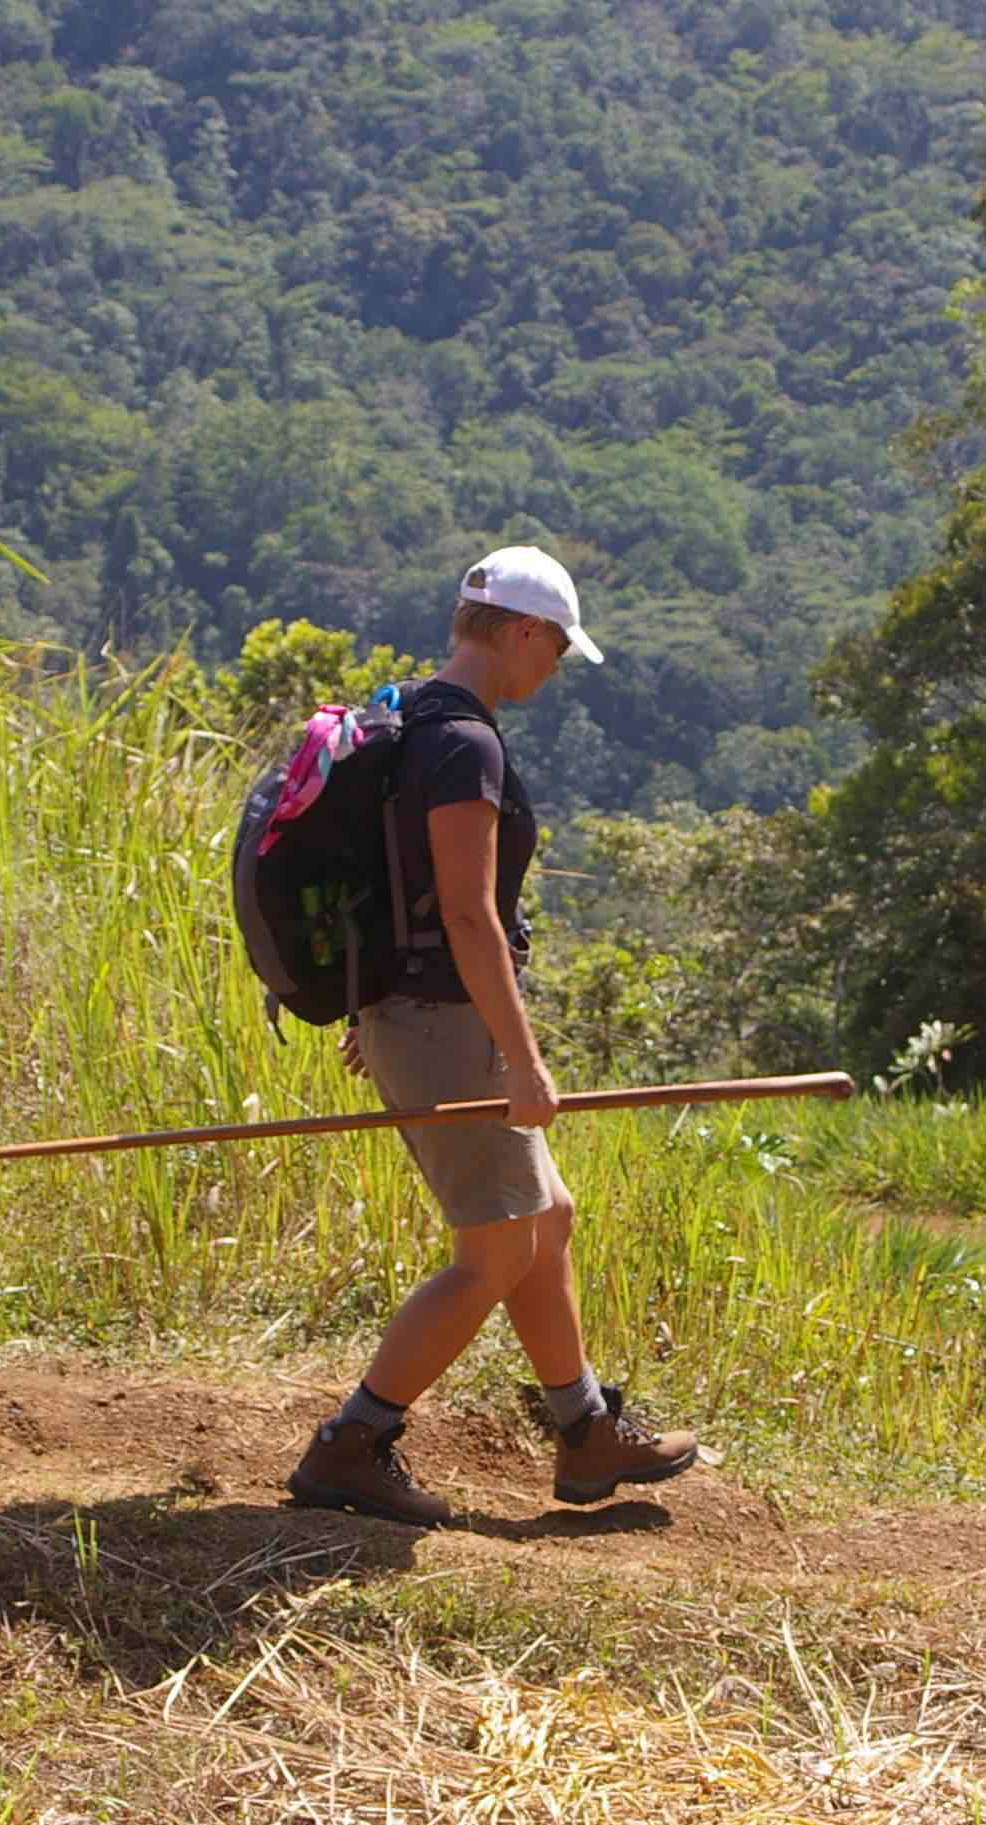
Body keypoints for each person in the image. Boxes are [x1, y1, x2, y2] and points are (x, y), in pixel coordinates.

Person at [285, 546, 696, 1526]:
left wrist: (378, 1007)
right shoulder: (464, 743)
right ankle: (352, 1441)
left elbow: (395, 890)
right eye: (554, 646)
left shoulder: (405, 718)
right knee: (493, 1253)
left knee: (542, 1220)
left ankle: (584, 1427)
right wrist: (520, 1058)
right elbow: (467, 914)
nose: (552, 667)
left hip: (419, 1016)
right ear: (521, 631)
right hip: (449, 1025)